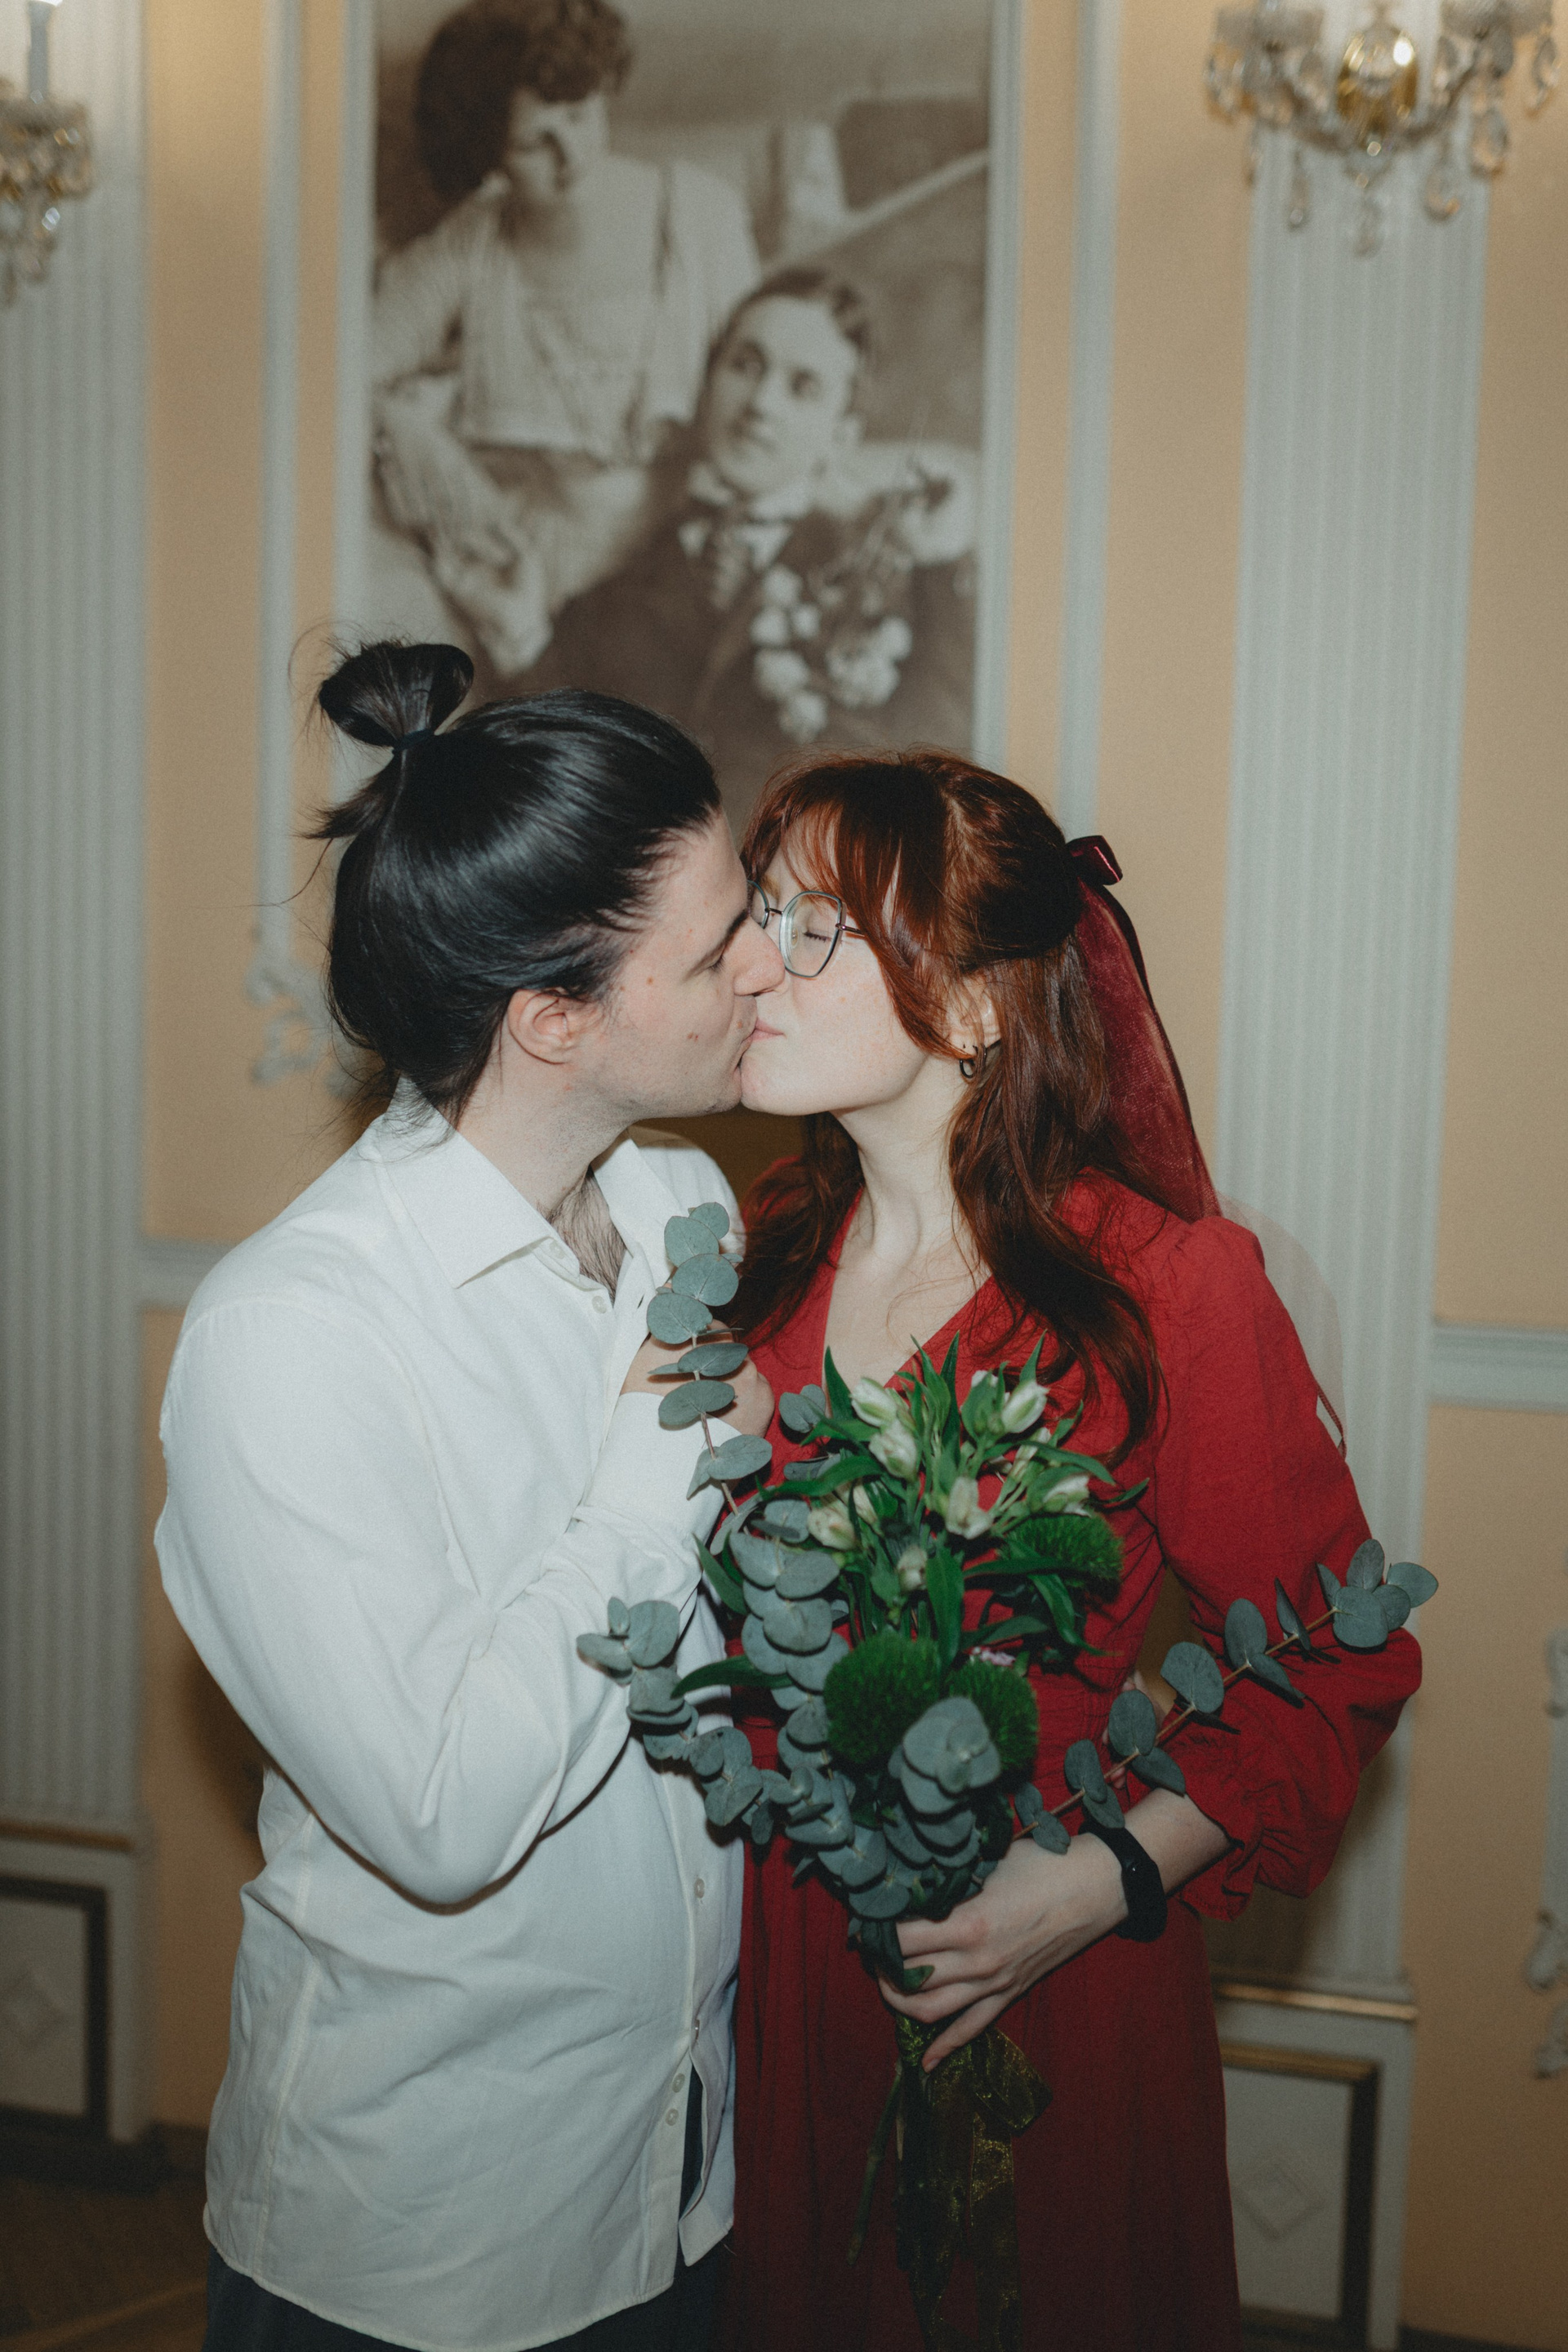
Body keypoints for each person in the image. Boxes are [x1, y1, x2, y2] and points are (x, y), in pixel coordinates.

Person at [718, 750, 1423, 2352]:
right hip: (786, 1957)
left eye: (815, 930)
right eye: (759, 915)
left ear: (973, 1007)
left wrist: (1097, 1881)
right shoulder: (756, 1257)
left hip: (1049, 1965)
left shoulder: (1170, 1290)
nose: (750, 964)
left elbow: (1340, 1662)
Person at [156, 644, 784, 2352]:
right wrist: (660, 1463)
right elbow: (441, 1817)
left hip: (675, 2171)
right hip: (426, 2230)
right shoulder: (291, 1337)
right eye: (716, 946)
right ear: (555, 1018)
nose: (764, 966)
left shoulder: (679, 1208)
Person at [370, 0, 759, 681]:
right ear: (490, 157)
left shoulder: (700, 217)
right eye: (534, 143)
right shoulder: (475, 242)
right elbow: (343, 361)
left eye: (580, 115)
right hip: (535, 585)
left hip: (681, 572)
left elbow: (759, 387)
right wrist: (412, 434)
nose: (572, 157)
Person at [538, 269, 978, 827]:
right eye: (745, 366)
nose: (761, 403)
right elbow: (560, 758)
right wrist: (521, 637)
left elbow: (944, 763)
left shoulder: (885, 581)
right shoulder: (621, 582)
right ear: (707, 385)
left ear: (841, 435)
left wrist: (939, 561)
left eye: (803, 387)